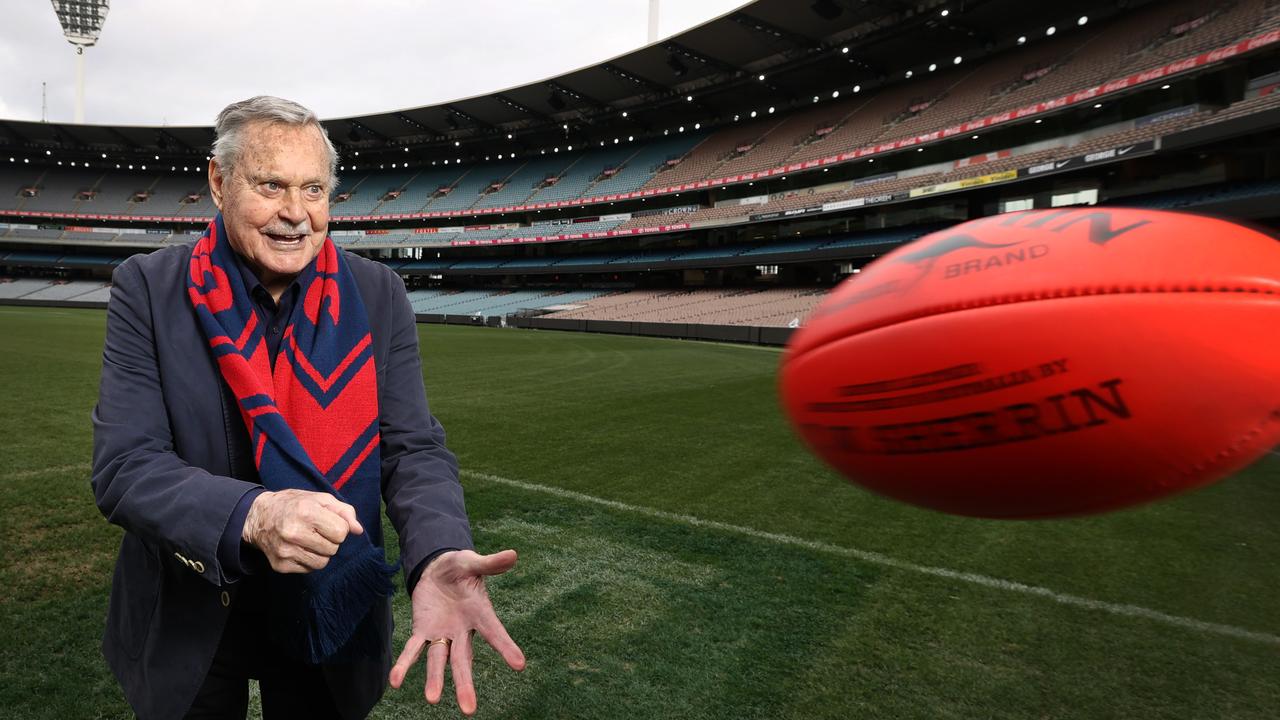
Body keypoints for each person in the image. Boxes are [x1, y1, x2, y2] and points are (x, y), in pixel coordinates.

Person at [91, 95, 524, 720]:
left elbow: (411, 447)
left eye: (314, 190)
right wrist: (255, 513)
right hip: (196, 612)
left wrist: (438, 550)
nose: (295, 214)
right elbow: (126, 466)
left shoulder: (378, 294)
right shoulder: (149, 289)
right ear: (219, 181)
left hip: (332, 611)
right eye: (271, 185)